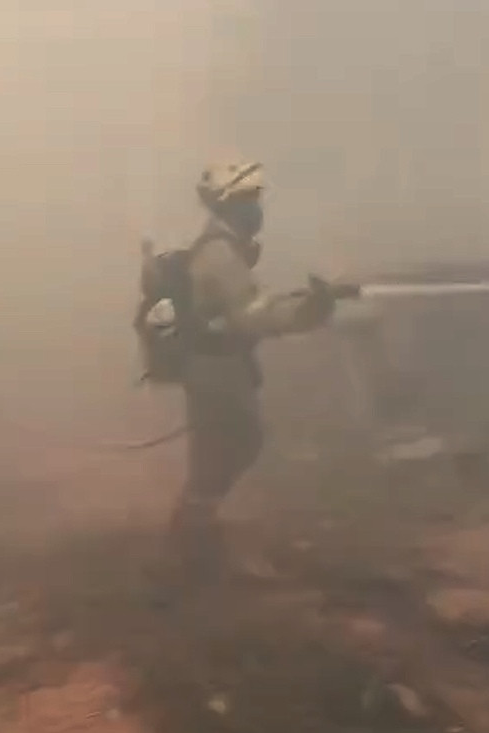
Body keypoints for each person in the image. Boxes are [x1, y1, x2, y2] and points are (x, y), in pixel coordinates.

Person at [152, 160, 340, 590]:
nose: (256, 209)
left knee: (220, 451)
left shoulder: (222, 247)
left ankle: (189, 549)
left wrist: (305, 300)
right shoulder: (219, 253)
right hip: (215, 366)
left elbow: (244, 305)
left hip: (215, 363)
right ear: (226, 205)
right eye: (246, 200)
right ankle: (188, 553)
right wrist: (309, 311)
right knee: (234, 444)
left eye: (255, 199)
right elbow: (251, 314)